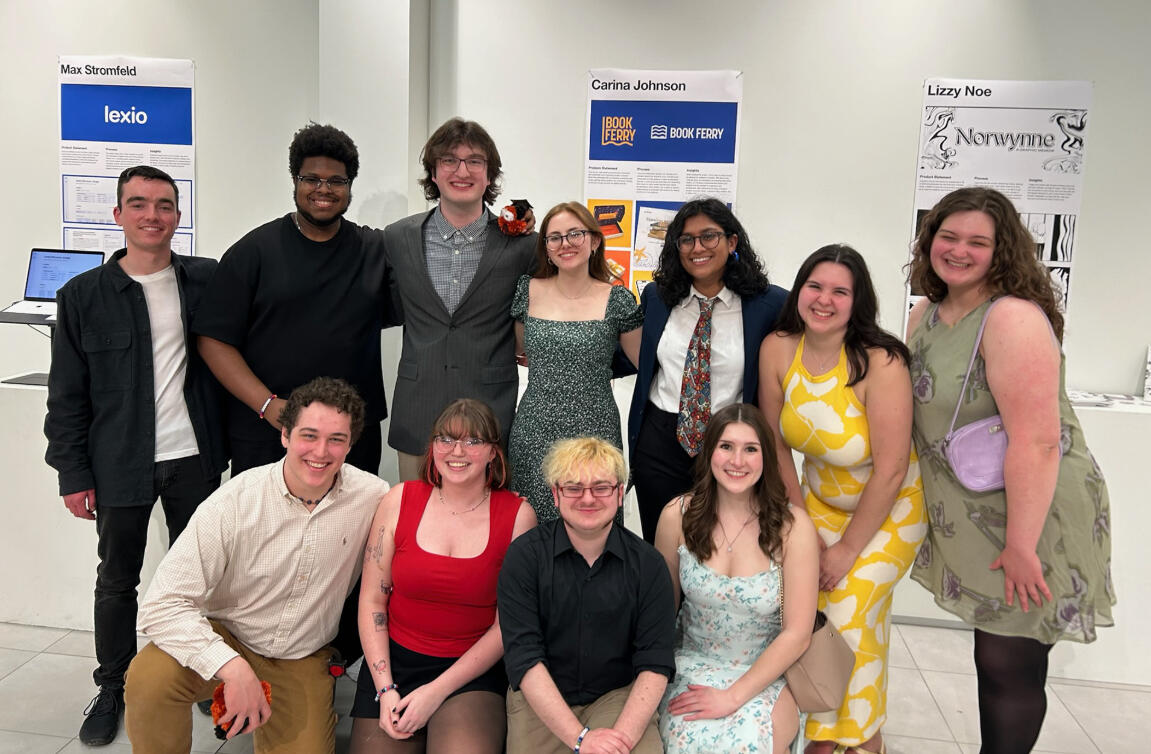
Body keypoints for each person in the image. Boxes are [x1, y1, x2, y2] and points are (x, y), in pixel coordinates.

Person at [906, 187, 1114, 754]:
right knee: (991, 653)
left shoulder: (1013, 318)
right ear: (929, 241)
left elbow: (1040, 442)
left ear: (1002, 252)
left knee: (1008, 661)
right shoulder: (925, 314)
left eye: (978, 241)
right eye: (948, 236)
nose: (959, 250)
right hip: (971, 514)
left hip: (1030, 513)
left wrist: (1022, 544)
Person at [43, 165, 228, 746]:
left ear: (178, 215)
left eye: (165, 205)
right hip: (117, 462)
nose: (153, 215)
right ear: (117, 214)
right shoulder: (82, 296)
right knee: (117, 580)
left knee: (203, 577)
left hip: (195, 458)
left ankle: (199, 674)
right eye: (139, 204)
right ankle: (113, 685)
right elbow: (67, 394)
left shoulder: (205, 281)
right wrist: (72, 473)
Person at [123, 377, 390, 753]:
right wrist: (231, 667)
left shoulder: (374, 497)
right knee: (149, 679)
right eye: (309, 436)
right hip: (229, 635)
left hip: (302, 654)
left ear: (351, 444)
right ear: (285, 435)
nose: (321, 451)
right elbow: (161, 606)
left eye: (336, 440)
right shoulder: (233, 502)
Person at [758, 245, 928, 754]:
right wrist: (802, 527)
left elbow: (893, 467)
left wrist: (847, 550)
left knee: (850, 612)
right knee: (810, 610)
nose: (824, 299)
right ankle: (835, 732)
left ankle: (844, 741)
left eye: (840, 291)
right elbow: (777, 443)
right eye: (815, 286)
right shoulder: (778, 348)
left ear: (859, 301)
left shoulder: (882, 361)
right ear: (799, 290)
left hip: (890, 509)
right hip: (815, 502)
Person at [193, 122, 392, 476]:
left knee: (352, 531)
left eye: (336, 181)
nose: (323, 190)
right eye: (311, 179)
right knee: (264, 532)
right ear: (295, 181)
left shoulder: (373, 250)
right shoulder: (253, 252)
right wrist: (268, 405)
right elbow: (213, 340)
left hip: (351, 436)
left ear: (349, 187)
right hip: (268, 432)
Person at [350, 399, 536, 753]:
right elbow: (372, 600)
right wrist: (386, 689)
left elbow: (506, 625)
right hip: (394, 665)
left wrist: (435, 692)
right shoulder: (399, 499)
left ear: (493, 453)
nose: (457, 451)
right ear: (432, 447)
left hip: (471, 672)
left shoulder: (518, 515)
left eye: (472, 441)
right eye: (446, 439)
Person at [654, 403, 819, 753]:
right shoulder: (676, 517)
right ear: (709, 452)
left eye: (750, 449)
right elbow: (660, 614)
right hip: (692, 668)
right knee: (687, 741)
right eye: (726, 446)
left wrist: (733, 697)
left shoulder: (794, 528)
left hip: (766, 675)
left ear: (766, 458)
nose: (737, 461)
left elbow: (797, 634)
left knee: (747, 742)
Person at [498, 437, 676, 754]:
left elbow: (655, 663)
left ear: (620, 493)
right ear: (555, 494)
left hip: (618, 696)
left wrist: (617, 741)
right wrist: (582, 739)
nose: (588, 498)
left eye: (601, 487)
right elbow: (524, 658)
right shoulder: (524, 557)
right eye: (574, 488)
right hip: (543, 698)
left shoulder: (648, 565)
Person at [383, 118, 536, 480]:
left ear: (489, 175)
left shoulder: (522, 245)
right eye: (449, 160)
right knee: (416, 523)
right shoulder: (397, 238)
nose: (461, 170)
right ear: (433, 174)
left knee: (485, 528)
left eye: (475, 161)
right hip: (418, 407)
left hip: (490, 412)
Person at [628, 197, 788, 543]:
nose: (697, 247)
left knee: (723, 547)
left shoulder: (768, 304)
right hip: (659, 442)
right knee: (663, 550)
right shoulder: (658, 297)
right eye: (686, 239)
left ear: (732, 242)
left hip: (730, 443)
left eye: (709, 236)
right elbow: (628, 353)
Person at [508, 201, 642, 522]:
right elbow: (520, 352)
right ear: (546, 248)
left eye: (575, 234)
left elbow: (645, 366)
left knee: (594, 524)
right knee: (531, 528)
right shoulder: (528, 291)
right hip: (534, 430)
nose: (565, 243)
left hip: (595, 433)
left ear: (594, 241)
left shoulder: (618, 299)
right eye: (554, 237)